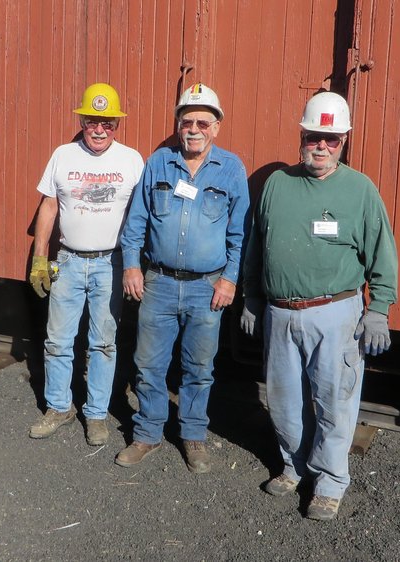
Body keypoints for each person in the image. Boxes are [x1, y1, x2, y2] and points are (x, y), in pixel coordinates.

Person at [240, 91, 398, 520]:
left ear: (344, 141)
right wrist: (252, 296)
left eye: (331, 139)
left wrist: (379, 309)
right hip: (280, 313)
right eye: (314, 136)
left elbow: (382, 253)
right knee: (284, 398)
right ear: (302, 136)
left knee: (334, 400)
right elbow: (257, 246)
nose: (322, 146)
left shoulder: (360, 190)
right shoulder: (277, 184)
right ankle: (293, 466)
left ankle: (329, 481)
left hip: (336, 313)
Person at [115, 83, 250, 473]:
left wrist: (229, 279)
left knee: (199, 368)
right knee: (148, 364)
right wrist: (131, 264)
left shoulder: (231, 168)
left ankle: (193, 437)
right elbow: (136, 220)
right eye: (187, 121)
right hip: (157, 282)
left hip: (206, 287)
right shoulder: (159, 162)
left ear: (216, 127)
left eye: (202, 122)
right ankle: (147, 434)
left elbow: (240, 233)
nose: (194, 129)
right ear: (178, 125)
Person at [27, 83, 145, 446]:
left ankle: (95, 415)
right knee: (59, 341)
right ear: (81, 120)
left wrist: (136, 263)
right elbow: (48, 206)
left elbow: (140, 216)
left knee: (103, 344)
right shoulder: (63, 155)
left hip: (111, 263)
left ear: (117, 126)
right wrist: (40, 257)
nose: (99, 129)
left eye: (107, 123)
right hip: (69, 261)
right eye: (92, 121)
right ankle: (59, 407)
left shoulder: (131, 160)